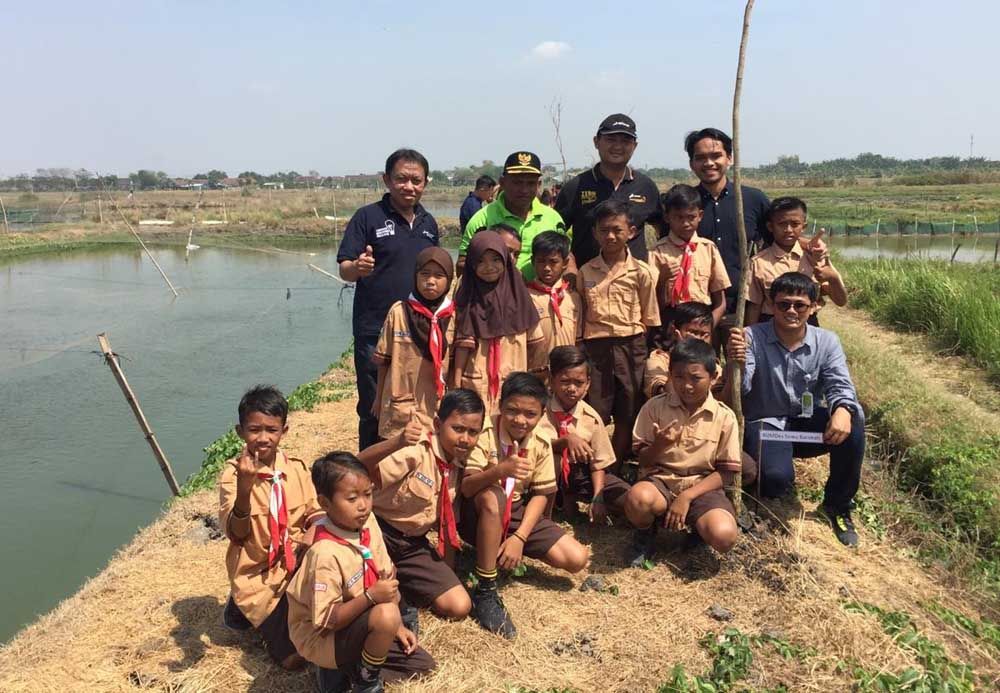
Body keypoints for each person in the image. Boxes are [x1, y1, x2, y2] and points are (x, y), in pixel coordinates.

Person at [727, 272, 866, 547]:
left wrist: (842, 409)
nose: (791, 311)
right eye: (784, 304)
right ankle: (774, 472)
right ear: (771, 304)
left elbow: (840, 384)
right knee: (777, 483)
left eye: (799, 305)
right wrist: (738, 364)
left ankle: (838, 505)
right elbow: (740, 391)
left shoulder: (827, 341)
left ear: (813, 306)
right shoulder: (750, 337)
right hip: (766, 425)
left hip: (803, 423)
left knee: (854, 418)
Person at [286, 452, 435, 693]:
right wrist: (372, 598)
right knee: (386, 614)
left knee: (422, 665)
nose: (363, 505)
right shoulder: (324, 553)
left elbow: (385, 572)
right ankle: (363, 680)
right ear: (325, 503)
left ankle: (354, 664)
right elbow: (326, 621)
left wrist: (397, 627)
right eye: (352, 498)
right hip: (323, 634)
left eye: (368, 494)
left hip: (360, 617)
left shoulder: (367, 522)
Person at [459, 372, 590, 638]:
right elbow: (467, 486)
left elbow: (541, 494)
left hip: (515, 511)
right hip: (478, 511)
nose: (520, 420)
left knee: (576, 559)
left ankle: (504, 547)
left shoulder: (540, 441)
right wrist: (499, 471)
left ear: (542, 413)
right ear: (500, 405)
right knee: (493, 496)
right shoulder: (484, 433)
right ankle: (486, 588)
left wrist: (519, 537)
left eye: (530, 414)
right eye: (512, 411)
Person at [338, 148, 439, 450]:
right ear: (386, 180)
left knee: (415, 400)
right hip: (375, 327)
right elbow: (344, 268)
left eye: (416, 180)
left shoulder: (429, 223)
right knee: (373, 403)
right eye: (401, 179)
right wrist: (357, 268)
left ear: (425, 183)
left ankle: (409, 463)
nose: (409, 186)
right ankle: (367, 470)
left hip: (418, 327)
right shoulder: (367, 217)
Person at [219, 385, 323, 670]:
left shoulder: (298, 469)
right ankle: (243, 607)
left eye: (271, 430)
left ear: (284, 431)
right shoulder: (232, 476)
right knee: (295, 660)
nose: (263, 438)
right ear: (241, 432)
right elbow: (237, 533)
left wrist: (313, 532)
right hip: (260, 577)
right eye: (254, 430)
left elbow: (316, 512)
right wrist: (244, 489)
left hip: (297, 565)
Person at [624, 339, 752, 567]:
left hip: (702, 486)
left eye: (696, 378)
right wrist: (659, 446)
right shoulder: (654, 407)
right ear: (670, 375)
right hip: (660, 481)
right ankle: (646, 533)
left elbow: (726, 473)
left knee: (724, 536)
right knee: (638, 499)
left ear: (713, 379)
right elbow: (642, 459)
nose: (687, 386)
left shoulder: (724, 416)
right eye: (679, 377)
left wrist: (687, 496)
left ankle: (698, 532)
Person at [368, 390, 485, 630]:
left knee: (459, 605)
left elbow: (447, 524)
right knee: (371, 594)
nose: (465, 439)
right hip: (378, 534)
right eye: (458, 429)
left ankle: (402, 582)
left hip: (412, 545)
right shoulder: (414, 451)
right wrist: (396, 442)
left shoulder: (460, 466)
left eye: (473, 432)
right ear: (438, 424)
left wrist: (447, 571)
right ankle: (397, 599)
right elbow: (361, 469)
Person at [578, 199, 660, 463]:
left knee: (629, 405)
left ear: (631, 232)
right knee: (596, 408)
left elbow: (650, 317)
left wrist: (640, 349)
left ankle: (619, 463)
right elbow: (581, 315)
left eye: (617, 230)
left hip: (631, 344)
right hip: (596, 347)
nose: (610, 236)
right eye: (604, 230)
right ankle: (596, 464)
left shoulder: (642, 272)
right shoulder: (585, 271)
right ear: (594, 233)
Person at [556, 113, 666, 265]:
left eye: (625, 141)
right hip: (587, 281)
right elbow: (555, 236)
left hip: (634, 282)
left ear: (634, 146)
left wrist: (656, 264)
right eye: (611, 139)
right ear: (596, 142)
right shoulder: (575, 187)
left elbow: (665, 227)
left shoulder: (646, 187)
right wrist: (570, 267)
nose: (618, 147)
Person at [536, 346, 631, 520]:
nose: (572, 388)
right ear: (551, 379)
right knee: (553, 458)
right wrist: (566, 441)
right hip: (543, 474)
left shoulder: (591, 417)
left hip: (581, 474)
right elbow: (535, 447)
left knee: (631, 501)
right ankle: (557, 504)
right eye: (564, 381)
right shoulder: (538, 410)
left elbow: (599, 463)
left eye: (579, 383)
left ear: (588, 384)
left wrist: (598, 497)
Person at [452, 232, 541, 413]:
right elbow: (461, 345)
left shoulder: (519, 295)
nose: (489, 267)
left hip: (514, 381)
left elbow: (536, 344)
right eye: (481, 261)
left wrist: (532, 379)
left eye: (495, 259)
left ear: (505, 260)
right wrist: (456, 382)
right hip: (475, 382)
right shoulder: (466, 294)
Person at [373, 248, 456, 441]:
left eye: (439, 275)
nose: (431, 281)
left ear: (449, 279)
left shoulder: (454, 316)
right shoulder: (399, 312)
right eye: (424, 274)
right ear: (415, 276)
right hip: (402, 402)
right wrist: (378, 398)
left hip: (436, 402)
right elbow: (384, 360)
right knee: (397, 456)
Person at [685, 128, 771, 313]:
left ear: (729, 158)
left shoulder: (753, 199)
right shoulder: (684, 204)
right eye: (700, 158)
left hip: (745, 304)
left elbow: (777, 239)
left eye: (716, 156)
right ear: (692, 164)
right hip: (696, 304)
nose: (709, 163)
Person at [458, 151, 569, 280]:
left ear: (538, 185)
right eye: (517, 182)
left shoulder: (553, 219)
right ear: (503, 183)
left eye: (530, 183)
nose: (524, 190)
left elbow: (565, 255)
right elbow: (462, 264)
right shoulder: (481, 220)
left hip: (542, 297)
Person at [746, 197, 846, 326]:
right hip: (770, 325)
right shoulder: (758, 263)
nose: (788, 229)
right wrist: (749, 338)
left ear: (803, 226)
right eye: (782, 224)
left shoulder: (815, 257)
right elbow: (754, 306)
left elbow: (840, 301)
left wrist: (833, 278)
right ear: (770, 226)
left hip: (808, 324)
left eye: (795, 224)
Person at [648, 184, 731, 328]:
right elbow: (652, 303)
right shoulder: (657, 252)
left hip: (702, 320)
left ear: (700, 216)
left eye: (691, 217)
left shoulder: (708, 249)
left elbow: (720, 301)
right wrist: (663, 280)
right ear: (667, 217)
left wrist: (708, 329)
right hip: (670, 321)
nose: (685, 223)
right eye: (678, 217)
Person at [525, 231, 583, 382]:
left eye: (553, 262)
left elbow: (579, 341)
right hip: (535, 374)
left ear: (564, 263)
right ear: (533, 261)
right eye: (541, 261)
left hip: (567, 375)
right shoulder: (526, 297)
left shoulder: (573, 298)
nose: (547, 268)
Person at [644, 301, 715, 399]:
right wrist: (681, 354)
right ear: (675, 332)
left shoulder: (713, 366)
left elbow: (724, 399)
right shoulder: (658, 362)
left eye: (704, 334)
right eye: (693, 332)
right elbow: (667, 398)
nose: (698, 339)